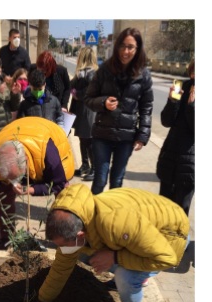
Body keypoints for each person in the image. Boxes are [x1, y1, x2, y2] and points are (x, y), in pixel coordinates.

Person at [23, 183, 189, 302]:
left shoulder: (114, 224)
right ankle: (135, 274)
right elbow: (61, 268)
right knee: (84, 254)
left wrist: (115, 257)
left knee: (126, 276)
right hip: (139, 233)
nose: (61, 249)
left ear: (80, 235)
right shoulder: (76, 216)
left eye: (62, 245)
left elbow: (167, 259)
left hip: (170, 235)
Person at [0, 117, 74, 258]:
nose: (14, 182)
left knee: (63, 197)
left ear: (25, 160)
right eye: (9, 178)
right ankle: (7, 240)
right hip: (20, 140)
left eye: (16, 177)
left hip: (48, 139)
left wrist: (32, 190)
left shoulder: (49, 154)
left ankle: (64, 238)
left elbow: (59, 184)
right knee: (4, 193)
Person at [84, 27, 153, 195]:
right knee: (100, 179)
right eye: (122, 46)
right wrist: (103, 103)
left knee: (117, 181)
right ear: (116, 47)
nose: (125, 51)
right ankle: (95, 216)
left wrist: (142, 135)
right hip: (102, 135)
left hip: (126, 138)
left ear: (137, 49)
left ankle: (111, 218)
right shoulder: (105, 70)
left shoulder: (144, 75)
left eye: (130, 47)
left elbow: (147, 107)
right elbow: (88, 99)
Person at [157, 59, 194, 216]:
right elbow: (166, 121)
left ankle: (181, 240)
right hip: (170, 157)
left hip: (190, 162)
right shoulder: (182, 87)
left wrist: (192, 106)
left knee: (180, 212)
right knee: (163, 209)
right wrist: (172, 101)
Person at [70, 47, 99, 181]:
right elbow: (71, 85)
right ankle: (85, 165)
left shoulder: (92, 73)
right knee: (83, 138)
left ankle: (95, 168)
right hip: (82, 110)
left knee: (89, 140)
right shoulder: (82, 73)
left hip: (88, 111)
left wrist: (77, 94)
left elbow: (89, 91)